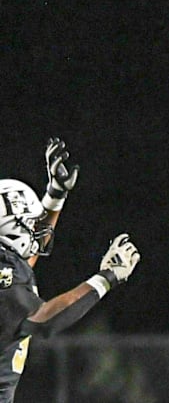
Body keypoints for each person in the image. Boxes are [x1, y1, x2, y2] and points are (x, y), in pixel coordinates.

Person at [0, 139, 142, 402]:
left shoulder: (7, 266)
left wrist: (55, 195)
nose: (37, 228)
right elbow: (43, 320)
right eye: (29, 224)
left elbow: (25, 259)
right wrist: (106, 277)